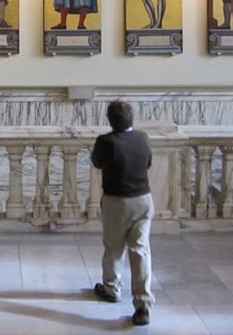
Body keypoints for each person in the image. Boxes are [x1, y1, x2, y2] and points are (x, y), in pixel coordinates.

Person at [91, 100, 155, 326]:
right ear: (131, 118)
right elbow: (147, 162)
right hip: (143, 199)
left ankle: (111, 288)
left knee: (114, 247)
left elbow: (96, 162)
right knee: (140, 250)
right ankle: (143, 304)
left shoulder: (106, 141)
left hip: (117, 201)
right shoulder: (142, 138)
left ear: (110, 120)